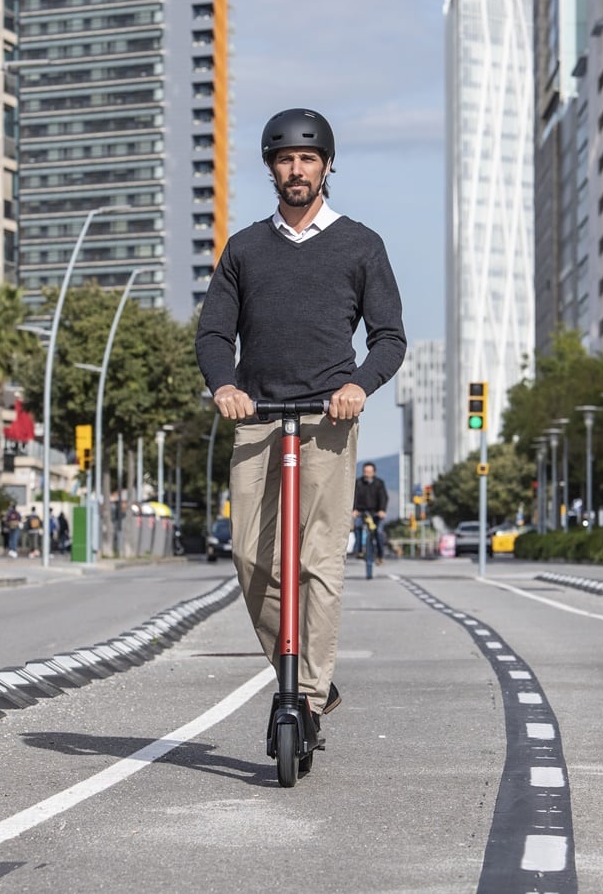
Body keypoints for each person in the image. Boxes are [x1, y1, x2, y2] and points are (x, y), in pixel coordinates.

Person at [196, 107, 406, 737]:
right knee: (250, 558)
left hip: (327, 421)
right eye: (285, 159)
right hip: (258, 418)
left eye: (307, 159)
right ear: (270, 168)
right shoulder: (245, 248)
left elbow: (389, 337)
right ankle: (307, 670)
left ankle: (307, 697)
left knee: (316, 561)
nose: (296, 169)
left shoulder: (361, 244)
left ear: (327, 166)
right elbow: (213, 334)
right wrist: (225, 384)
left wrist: (357, 386)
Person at [352, 461, 389, 564]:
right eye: (365, 471)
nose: (367, 474)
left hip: (376, 513)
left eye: (369, 472)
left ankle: (380, 556)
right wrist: (354, 510)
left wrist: (382, 510)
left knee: (379, 532)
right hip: (361, 511)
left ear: (374, 472)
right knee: (357, 526)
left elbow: (384, 497)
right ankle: (359, 550)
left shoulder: (379, 483)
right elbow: (354, 497)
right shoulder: (358, 483)